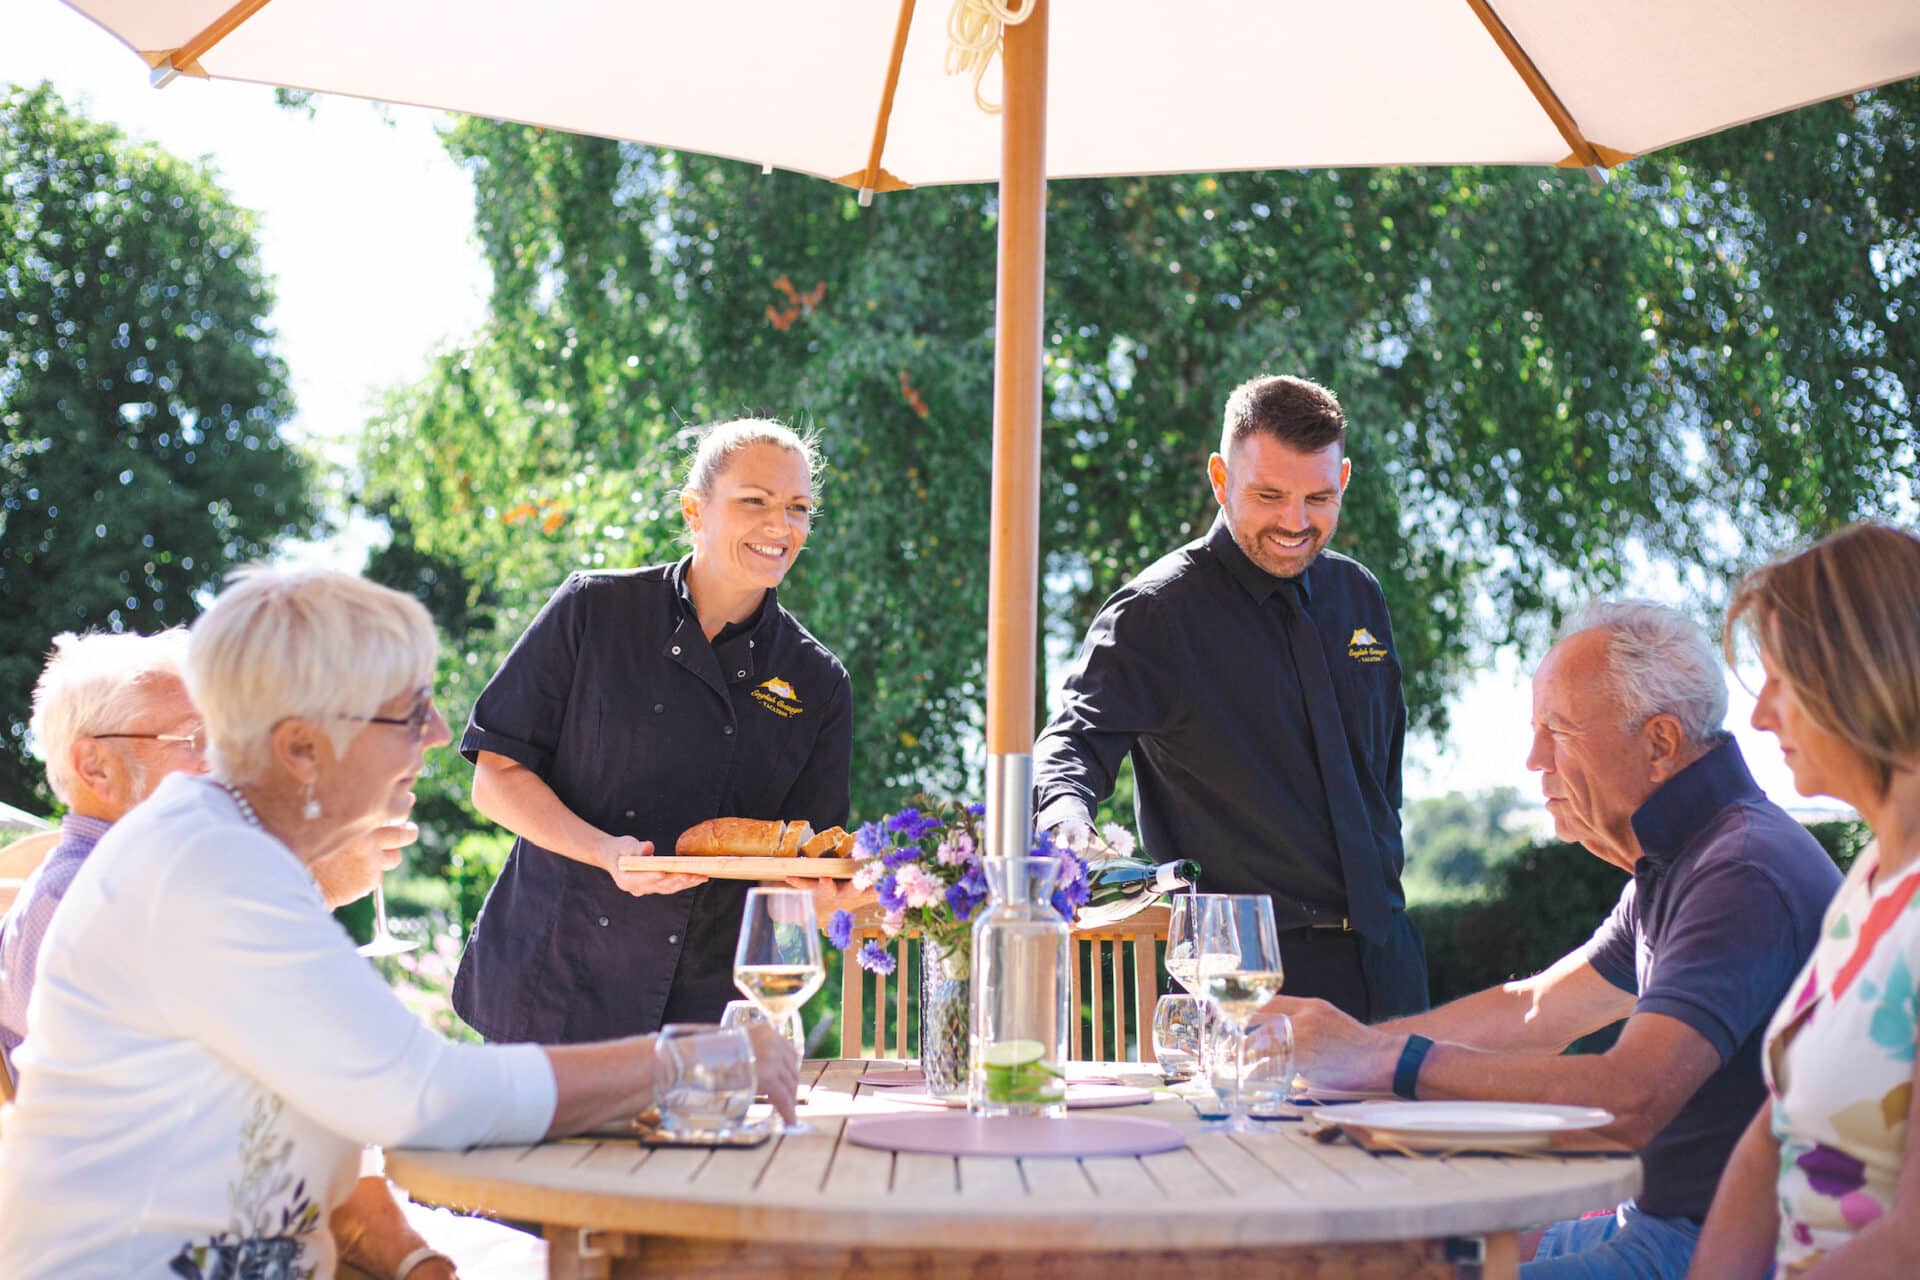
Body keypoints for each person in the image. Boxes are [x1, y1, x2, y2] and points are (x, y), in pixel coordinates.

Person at [0, 566, 799, 1279]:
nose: (440, 735)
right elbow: (417, 1095)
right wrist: (693, 1059)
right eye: (407, 712)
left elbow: (343, 1117)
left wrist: (416, 1262)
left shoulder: (233, 856)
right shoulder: (207, 867)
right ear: (303, 748)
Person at [1262, 601, 1842, 1279]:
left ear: (1659, 743)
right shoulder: (1690, 858)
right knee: (1386, 1260)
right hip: (1650, 1222)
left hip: (1716, 1248)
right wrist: (1341, 1062)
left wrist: (1381, 1062)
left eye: (1557, 731)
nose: (1535, 759)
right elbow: (1534, 1011)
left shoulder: (1738, 872)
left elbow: (1630, 1098)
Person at [1033, 374, 1427, 1020]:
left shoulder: (1361, 598)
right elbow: (1072, 740)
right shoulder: (1156, 613)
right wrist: (1066, 821)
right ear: (1220, 478)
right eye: (1269, 495)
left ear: (1345, 480)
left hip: (1392, 970)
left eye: (1319, 498)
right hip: (1243, 984)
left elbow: (1383, 781)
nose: (1295, 523)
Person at [454, 419, 856, 1043]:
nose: (782, 527)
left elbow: (800, 865)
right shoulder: (593, 610)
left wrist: (852, 895)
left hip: (706, 1006)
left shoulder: (818, 679)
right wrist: (607, 852)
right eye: (755, 501)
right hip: (554, 979)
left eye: (798, 507)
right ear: (695, 511)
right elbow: (497, 778)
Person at [1690, 525, 1920, 1278]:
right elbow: (1771, 1140)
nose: (1760, 717)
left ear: (1864, 675)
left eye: (1781, 682)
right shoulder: (1871, 882)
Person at [0, 629, 206, 1055]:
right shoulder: (77, 904)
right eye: (194, 739)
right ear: (95, 768)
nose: (220, 764)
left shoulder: (136, 887)